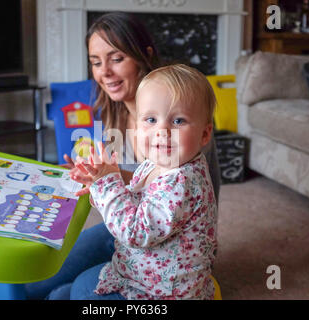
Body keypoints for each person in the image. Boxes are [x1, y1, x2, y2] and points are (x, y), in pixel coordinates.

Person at [24, 12, 220, 300]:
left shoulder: (186, 132)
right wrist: (101, 174)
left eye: (116, 59)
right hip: (137, 229)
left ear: (144, 57)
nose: (104, 72)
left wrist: (108, 183)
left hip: (167, 252)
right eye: (95, 62)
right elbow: (143, 182)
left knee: (78, 289)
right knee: (46, 284)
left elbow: (177, 202)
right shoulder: (113, 112)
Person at [65, 64, 218, 300]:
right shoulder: (159, 162)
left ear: (205, 134)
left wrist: (108, 185)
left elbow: (135, 232)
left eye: (178, 121)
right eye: (151, 119)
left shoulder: (181, 181)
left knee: (82, 290)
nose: (162, 131)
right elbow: (133, 198)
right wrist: (99, 181)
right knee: (67, 290)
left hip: (160, 293)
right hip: (144, 268)